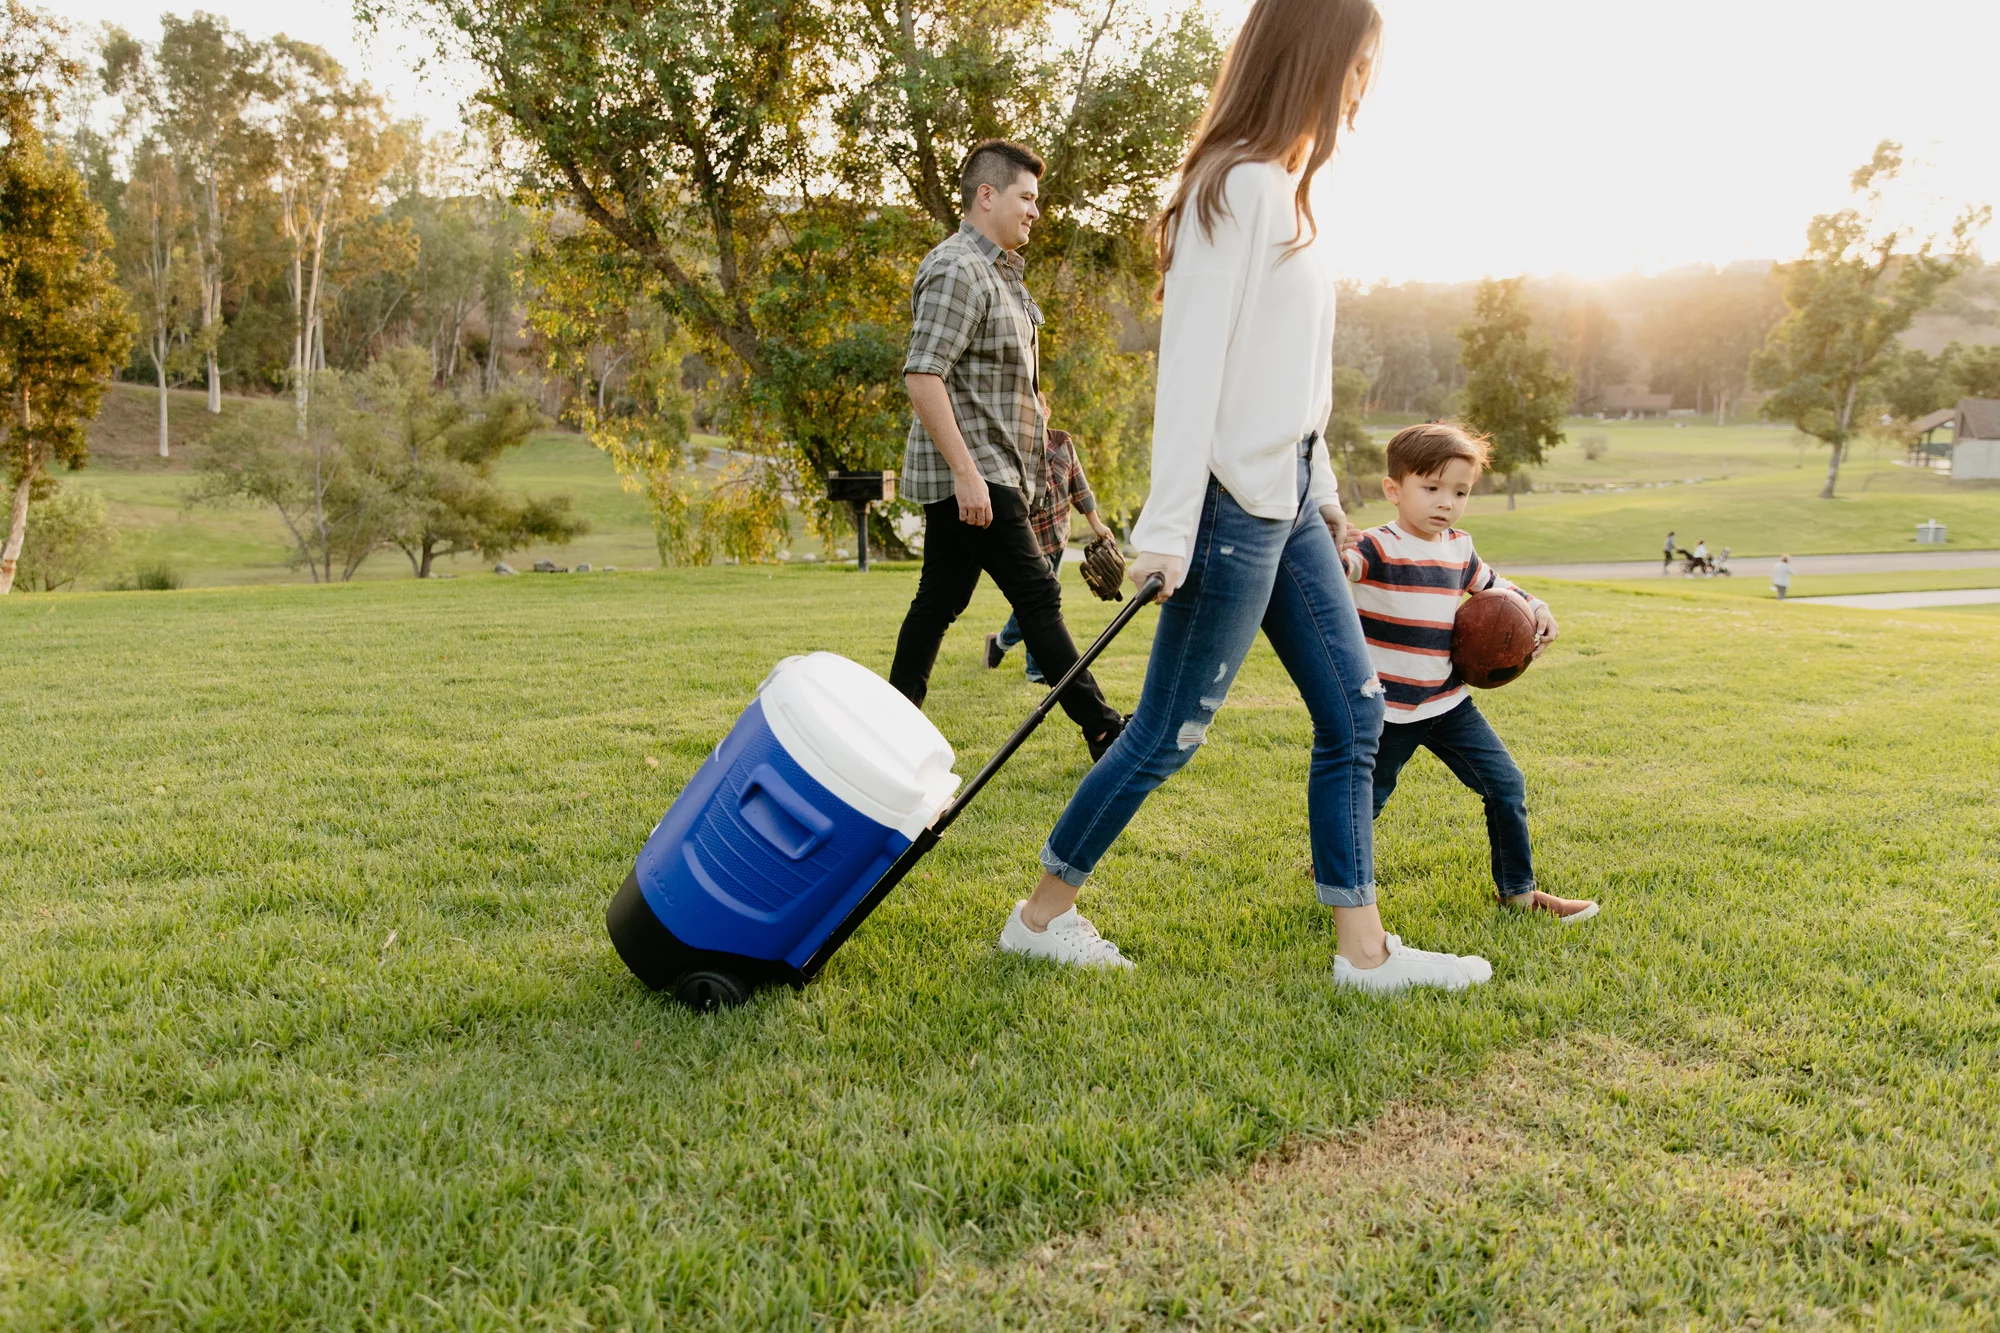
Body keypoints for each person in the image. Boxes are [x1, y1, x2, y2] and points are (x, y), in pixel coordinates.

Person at [996, 0, 1491, 994]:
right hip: (1226, 510)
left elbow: (1289, 375)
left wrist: (1328, 492)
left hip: (1290, 499)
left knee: (1355, 714)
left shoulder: (1290, 193)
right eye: (1357, 64)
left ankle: (1364, 954)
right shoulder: (1237, 188)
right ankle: (1039, 917)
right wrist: (1167, 528)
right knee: (1167, 734)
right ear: (1312, 55)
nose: (1364, 85)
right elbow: (1193, 370)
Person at [889, 139, 1126, 761]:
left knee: (938, 601)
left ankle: (888, 723)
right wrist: (966, 475)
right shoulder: (957, 268)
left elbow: (984, 375)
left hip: (997, 466)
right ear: (986, 195)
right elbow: (923, 373)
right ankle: (1103, 729)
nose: (1035, 211)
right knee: (1038, 598)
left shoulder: (1000, 274)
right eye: (1027, 198)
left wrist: (1032, 407)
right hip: (977, 472)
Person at [1348, 423, 1598, 925]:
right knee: (1366, 801)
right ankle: (1336, 871)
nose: (1447, 502)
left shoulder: (1459, 548)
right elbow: (1337, 570)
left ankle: (1518, 894)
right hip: (1387, 710)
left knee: (1505, 784)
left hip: (1447, 703)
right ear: (1394, 490)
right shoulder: (1375, 547)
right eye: (1432, 488)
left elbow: (1496, 587)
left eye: (1460, 492)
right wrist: (1331, 546)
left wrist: (1536, 606)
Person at [986, 393, 1118, 684]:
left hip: (1059, 536)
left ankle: (999, 645)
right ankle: (1035, 670)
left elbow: (1078, 485)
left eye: (1037, 414)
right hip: (1030, 539)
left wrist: (1096, 524)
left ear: (1046, 412)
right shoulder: (1014, 452)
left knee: (1037, 602)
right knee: (1042, 601)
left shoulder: (1063, 444)